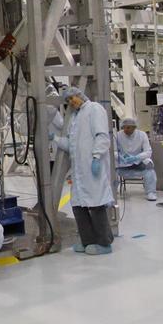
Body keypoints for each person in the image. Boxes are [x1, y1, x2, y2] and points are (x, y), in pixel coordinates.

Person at [54, 86, 115, 255]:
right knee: (78, 205)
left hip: (93, 166)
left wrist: (96, 156)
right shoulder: (74, 117)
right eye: (68, 101)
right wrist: (55, 139)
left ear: (80, 95)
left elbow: (102, 136)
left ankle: (104, 243)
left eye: (72, 98)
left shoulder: (94, 109)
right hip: (79, 171)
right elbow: (71, 145)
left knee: (96, 205)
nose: (71, 102)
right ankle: (88, 240)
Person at [114, 117, 158, 202]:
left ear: (134, 127)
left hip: (139, 161)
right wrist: (120, 157)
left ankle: (151, 192)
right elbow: (113, 150)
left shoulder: (142, 135)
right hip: (122, 163)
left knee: (149, 165)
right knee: (111, 169)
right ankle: (112, 192)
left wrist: (136, 157)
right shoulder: (117, 135)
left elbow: (148, 151)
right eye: (124, 127)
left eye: (128, 127)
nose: (126, 129)